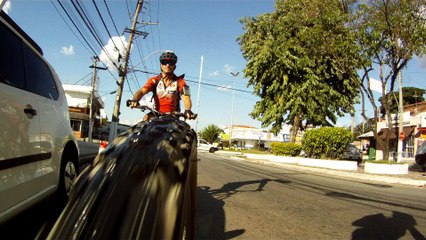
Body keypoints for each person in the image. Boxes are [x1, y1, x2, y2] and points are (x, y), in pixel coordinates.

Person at [129, 51, 195, 120]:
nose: (167, 65)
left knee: (185, 130)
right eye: (164, 62)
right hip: (156, 114)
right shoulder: (154, 80)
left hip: (174, 117)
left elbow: (186, 97)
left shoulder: (180, 81)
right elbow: (142, 91)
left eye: (171, 63)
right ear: (161, 65)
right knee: (145, 120)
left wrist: (188, 109)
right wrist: (135, 99)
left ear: (174, 67)